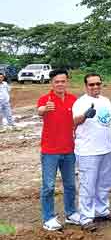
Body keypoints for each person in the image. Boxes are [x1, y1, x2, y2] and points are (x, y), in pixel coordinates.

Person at [72, 73, 111, 231]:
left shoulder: (105, 101)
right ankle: (86, 218)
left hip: (105, 149)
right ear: (86, 86)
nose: (95, 87)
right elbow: (73, 122)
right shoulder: (81, 102)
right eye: (92, 85)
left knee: (104, 183)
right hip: (87, 151)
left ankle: (101, 211)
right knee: (87, 185)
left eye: (98, 84)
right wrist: (84, 116)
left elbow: (109, 122)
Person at [37, 69, 78, 231]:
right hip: (50, 151)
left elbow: (78, 119)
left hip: (69, 149)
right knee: (48, 186)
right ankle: (48, 217)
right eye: (57, 81)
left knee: (70, 185)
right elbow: (39, 110)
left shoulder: (73, 99)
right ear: (51, 83)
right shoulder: (45, 99)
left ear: (67, 82)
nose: (60, 84)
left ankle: (71, 213)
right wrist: (44, 109)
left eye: (63, 81)